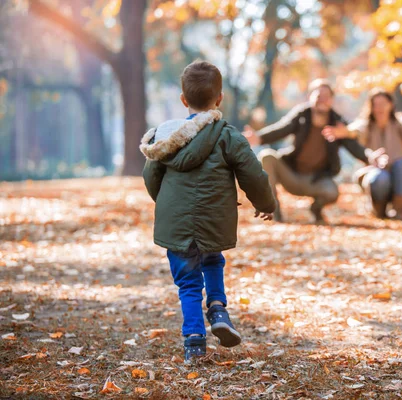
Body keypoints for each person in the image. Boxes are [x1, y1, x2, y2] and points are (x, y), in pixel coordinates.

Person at [140, 60, 276, 364]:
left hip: (177, 225)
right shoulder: (228, 135)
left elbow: (151, 178)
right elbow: (253, 174)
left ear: (183, 100)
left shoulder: (165, 137)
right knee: (213, 259)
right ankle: (217, 308)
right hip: (214, 220)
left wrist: (165, 205)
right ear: (220, 98)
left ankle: (194, 342)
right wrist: (266, 204)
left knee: (188, 282)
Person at [244, 79, 385, 223]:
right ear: (310, 97)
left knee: (332, 192)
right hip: (291, 175)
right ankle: (274, 211)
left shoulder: (337, 123)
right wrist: (258, 138)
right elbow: (281, 129)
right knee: (267, 157)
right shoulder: (301, 115)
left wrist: (370, 157)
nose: (322, 100)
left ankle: (316, 209)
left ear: (331, 100)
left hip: (315, 180)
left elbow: (354, 147)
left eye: (326, 97)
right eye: (318, 96)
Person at [322, 88, 402, 220]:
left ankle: (400, 211)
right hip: (376, 173)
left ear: (390, 105)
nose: (379, 108)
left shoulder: (398, 123)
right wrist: (344, 132)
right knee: (380, 178)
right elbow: (355, 130)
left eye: (383, 104)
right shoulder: (367, 125)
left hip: (400, 175)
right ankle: (379, 210)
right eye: (376, 105)